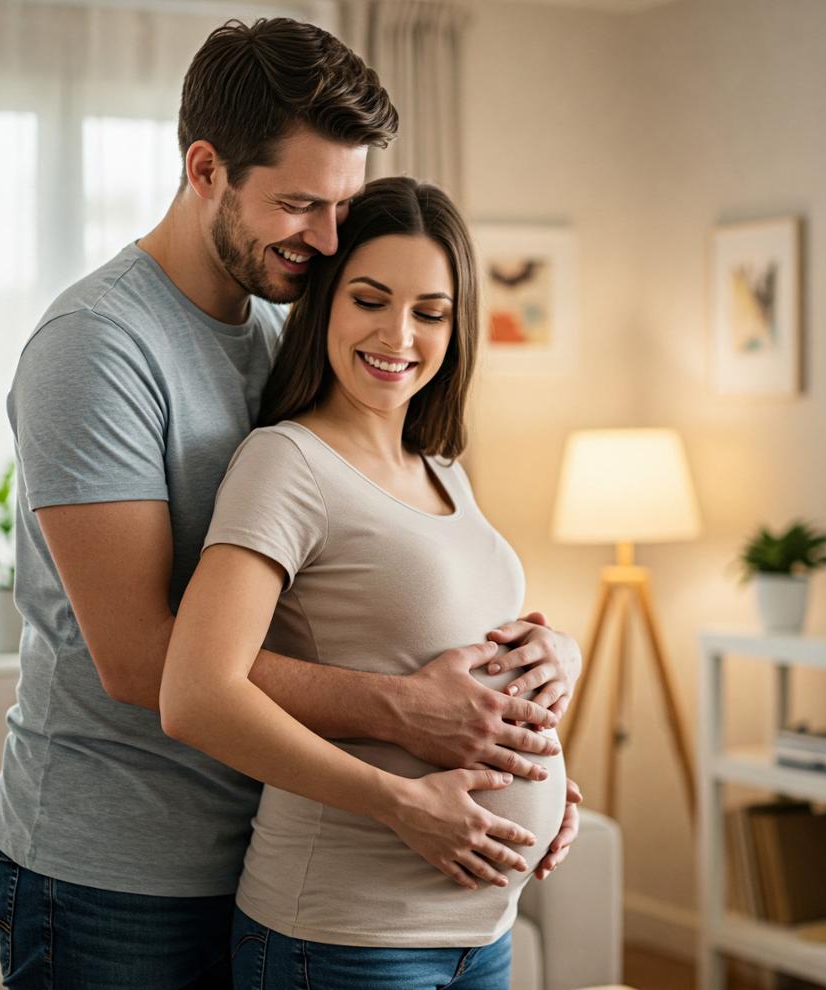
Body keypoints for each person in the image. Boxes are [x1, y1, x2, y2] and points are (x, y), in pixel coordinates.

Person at [0, 17, 582, 990]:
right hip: (115, 869)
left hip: (265, 838)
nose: (329, 240)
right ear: (206, 169)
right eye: (301, 204)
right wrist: (409, 717)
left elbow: (349, 594)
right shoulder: (96, 348)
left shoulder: (280, 329)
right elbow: (143, 661)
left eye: (341, 205)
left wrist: (517, 726)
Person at [159, 176, 570, 990]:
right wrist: (399, 802)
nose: (399, 335)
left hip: (481, 936)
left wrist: (545, 749)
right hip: (346, 938)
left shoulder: (443, 471)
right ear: (324, 305)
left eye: (430, 312)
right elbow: (195, 697)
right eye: (370, 300)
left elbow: (445, 656)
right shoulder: (287, 463)